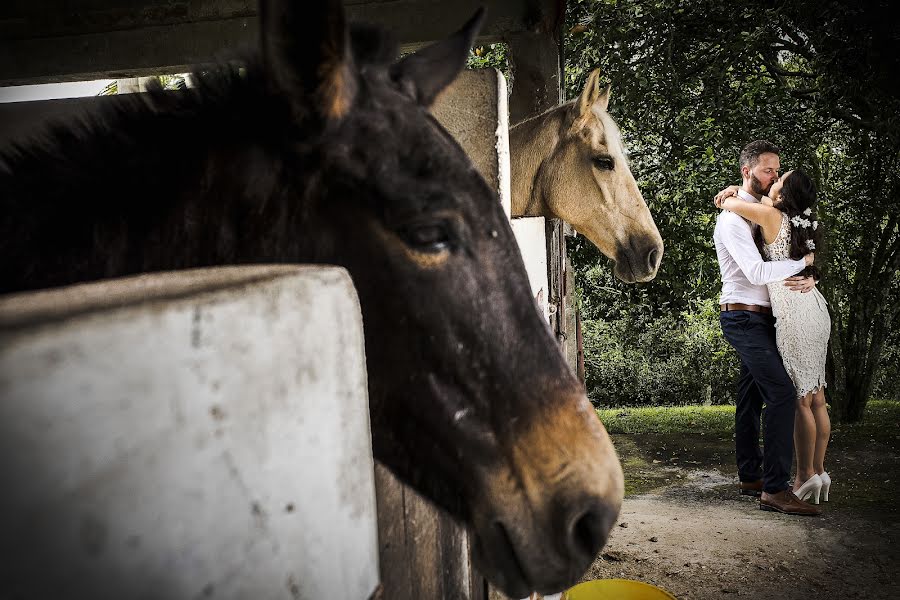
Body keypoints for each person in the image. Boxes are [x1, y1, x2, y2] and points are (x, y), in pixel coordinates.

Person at [712, 140, 820, 516]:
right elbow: (757, 272)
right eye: (768, 170)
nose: (775, 176)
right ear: (748, 171)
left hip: (767, 317)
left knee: (750, 398)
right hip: (742, 316)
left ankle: (750, 475)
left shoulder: (763, 211)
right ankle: (775, 488)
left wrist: (811, 274)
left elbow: (792, 247)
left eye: (777, 170)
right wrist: (799, 265)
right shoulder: (731, 219)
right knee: (783, 395)